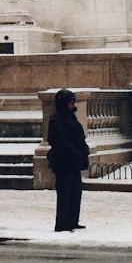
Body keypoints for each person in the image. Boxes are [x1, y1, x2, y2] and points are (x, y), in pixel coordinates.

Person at [47, 88, 89, 231]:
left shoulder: (71, 117)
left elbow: (78, 136)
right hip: (64, 162)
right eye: (70, 102)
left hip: (73, 162)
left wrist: (83, 151)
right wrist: (75, 153)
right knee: (65, 193)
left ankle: (72, 220)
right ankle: (62, 222)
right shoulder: (56, 119)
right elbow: (59, 141)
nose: (72, 105)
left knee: (75, 192)